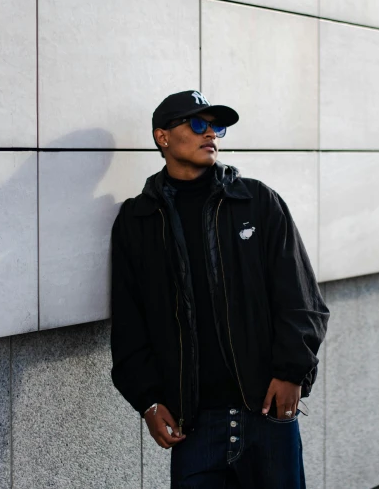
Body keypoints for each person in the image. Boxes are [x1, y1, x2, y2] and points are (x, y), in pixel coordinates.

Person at [110, 90, 329, 488]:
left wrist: (291, 373)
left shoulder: (256, 202)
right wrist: (148, 400)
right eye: (197, 124)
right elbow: (129, 322)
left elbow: (302, 299)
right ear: (162, 137)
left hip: (267, 413)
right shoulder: (137, 220)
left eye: (217, 126)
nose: (211, 133)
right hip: (193, 425)